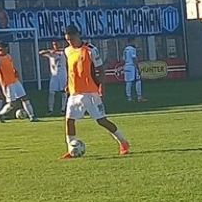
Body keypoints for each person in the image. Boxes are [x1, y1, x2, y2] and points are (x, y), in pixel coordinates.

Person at [62, 25, 130, 158]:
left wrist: (101, 88)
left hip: (90, 92)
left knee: (101, 120)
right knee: (69, 120)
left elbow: (101, 70)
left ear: (78, 35)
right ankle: (71, 148)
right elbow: (71, 70)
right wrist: (67, 85)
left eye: (72, 39)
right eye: (68, 40)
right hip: (74, 92)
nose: (70, 42)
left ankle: (123, 142)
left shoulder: (90, 50)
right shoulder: (67, 51)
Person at [0, 43, 37, 121]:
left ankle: (32, 116)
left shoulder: (8, 56)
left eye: (3, 49)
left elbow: (11, 67)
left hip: (15, 80)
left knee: (24, 97)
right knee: (12, 104)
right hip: (7, 84)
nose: (2, 51)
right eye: (0, 50)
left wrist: (15, 71)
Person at [39, 41, 68, 114]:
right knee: (51, 92)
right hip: (54, 75)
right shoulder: (51, 54)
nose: (56, 45)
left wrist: (60, 51)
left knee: (64, 92)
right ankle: (50, 109)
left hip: (62, 73)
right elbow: (40, 53)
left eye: (57, 44)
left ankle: (63, 109)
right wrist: (49, 51)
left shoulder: (63, 52)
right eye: (54, 44)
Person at [123, 38, 145, 103]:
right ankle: (139, 97)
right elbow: (134, 58)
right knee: (138, 81)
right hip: (132, 67)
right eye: (135, 41)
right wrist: (137, 67)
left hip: (126, 66)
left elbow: (123, 59)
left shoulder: (125, 50)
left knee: (128, 82)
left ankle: (129, 98)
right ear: (132, 41)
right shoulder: (132, 49)